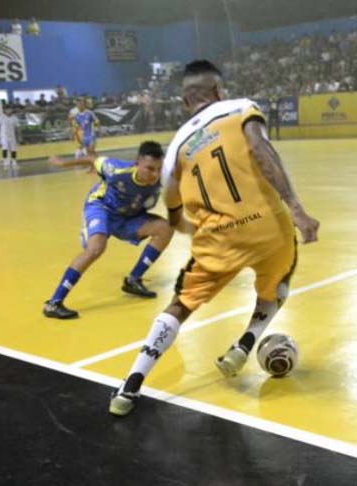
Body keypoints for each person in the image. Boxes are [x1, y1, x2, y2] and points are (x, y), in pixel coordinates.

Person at [108, 60, 320, 416]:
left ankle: (129, 386)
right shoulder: (240, 108)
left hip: (217, 238)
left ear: (185, 102)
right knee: (277, 283)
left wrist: (184, 224)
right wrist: (296, 208)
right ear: (218, 90)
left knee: (180, 305)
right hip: (267, 226)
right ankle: (245, 343)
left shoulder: (176, 147)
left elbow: (171, 203)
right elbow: (261, 151)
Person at [43, 141, 172, 320]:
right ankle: (54, 303)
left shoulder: (163, 179)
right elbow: (92, 158)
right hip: (101, 207)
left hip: (128, 217)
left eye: (159, 169)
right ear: (137, 163)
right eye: (150, 169)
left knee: (165, 228)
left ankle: (133, 280)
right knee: (96, 249)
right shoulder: (116, 169)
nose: (155, 174)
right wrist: (62, 163)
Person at [0, 105, 20, 170]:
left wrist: (19, 136)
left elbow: (17, 127)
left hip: (12, 136)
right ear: (5, 110)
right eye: (7, 109)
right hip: (4, 136)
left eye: (10, 109)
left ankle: (14, 162)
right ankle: (5, 163)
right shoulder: (2, 117)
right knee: (5, 148)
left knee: (13, 149)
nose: (9, 110)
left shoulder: (14, 118)